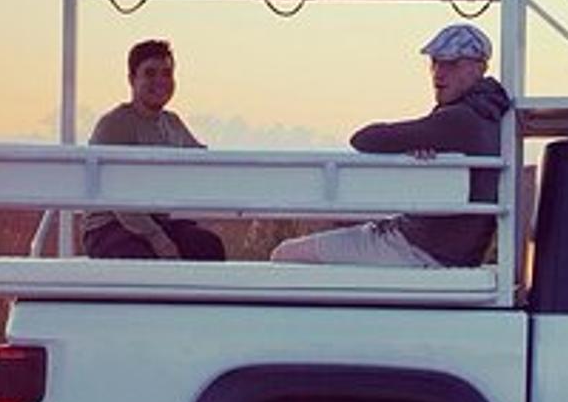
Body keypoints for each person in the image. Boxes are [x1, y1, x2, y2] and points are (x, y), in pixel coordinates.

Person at [271, 23, 512, 267]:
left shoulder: (460, 119)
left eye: (451, 63)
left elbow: (365, 139)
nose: (439, 72)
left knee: (285, 254)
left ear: (479, 68)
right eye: (435, 62)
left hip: (416, 250)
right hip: (435, 249)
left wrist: (413, 142)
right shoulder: (490, 115)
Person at [83, 39, 226, 261]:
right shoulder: (115, 124)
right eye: (150, 73)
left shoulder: (172, 123)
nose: (160, 81)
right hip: (111, 227)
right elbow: (118, 197)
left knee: (206, 245)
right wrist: (159, 240)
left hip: (157, 222)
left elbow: (202, 163)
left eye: (166, 73)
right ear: (132, 79)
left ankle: (204, 296)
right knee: (143, 260)